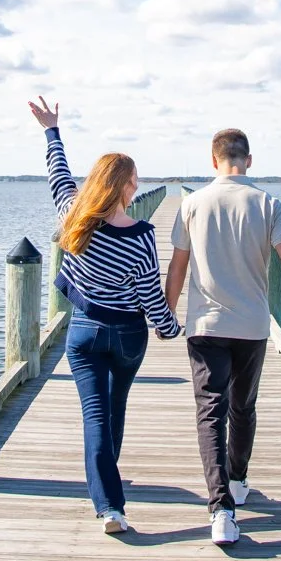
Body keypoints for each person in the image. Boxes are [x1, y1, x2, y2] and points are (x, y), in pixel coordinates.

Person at [28, 96, 181, 535]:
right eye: (134, 183)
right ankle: (108, 496)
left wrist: (51, 131)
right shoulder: (141, 236)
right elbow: (151, 296)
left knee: (95, 417)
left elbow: (58, 174)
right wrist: (171, 329)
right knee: (114, 413)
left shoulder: (74, 216)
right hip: (129, 335)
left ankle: (109, 505)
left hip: (85, 330)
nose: (137, 189)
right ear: (124, 187)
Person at [165, 127, 281, 546]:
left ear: (212, 160)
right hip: (252, 328)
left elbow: (178, 268)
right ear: (249, 160)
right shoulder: (268, 203)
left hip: (205, 328)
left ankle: (221, 510)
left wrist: (164, 314)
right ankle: (237, 481)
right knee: (243, 407)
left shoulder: (193, 204)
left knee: (209, 413)